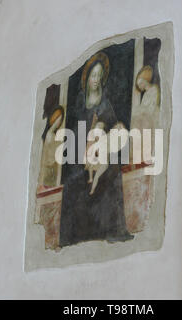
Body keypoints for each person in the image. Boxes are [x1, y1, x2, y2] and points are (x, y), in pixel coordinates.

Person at [59, 52, 133, 247]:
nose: (96, 80)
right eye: (93, 75)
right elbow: (74, 135)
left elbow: (115, 130)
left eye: (100, 76)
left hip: (102, 153)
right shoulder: (79, 104)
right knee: (72, 182)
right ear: (86, 77)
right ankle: (71, 238)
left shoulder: (106, 103)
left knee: (113, 173)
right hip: (79, 156)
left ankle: (113, 230)